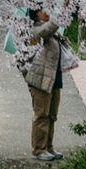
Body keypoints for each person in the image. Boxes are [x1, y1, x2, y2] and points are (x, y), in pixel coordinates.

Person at [23, 9, 63, 161]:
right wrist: (59, 18)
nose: (47, 12)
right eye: (42, 10)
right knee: (41, 114)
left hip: (53, 77)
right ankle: (39, 149)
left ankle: (49, 146)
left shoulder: (50, 30)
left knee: (52, 114)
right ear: (35, 13)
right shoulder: (33, 29)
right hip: (40, 79)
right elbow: (45, 32)